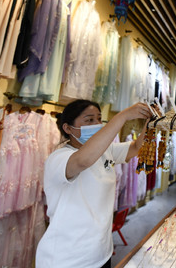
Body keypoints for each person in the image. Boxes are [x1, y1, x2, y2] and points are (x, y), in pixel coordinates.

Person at [35, 99, 153, 268]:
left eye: (99, 119)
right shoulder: (58, 159)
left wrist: (151, 125)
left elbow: (135, 148)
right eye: (89, 120)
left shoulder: (105, 151)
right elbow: (83, 161)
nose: (97, 124)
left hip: (101, 253)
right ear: (67, 128)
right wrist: (123, 116)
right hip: (67, 259)